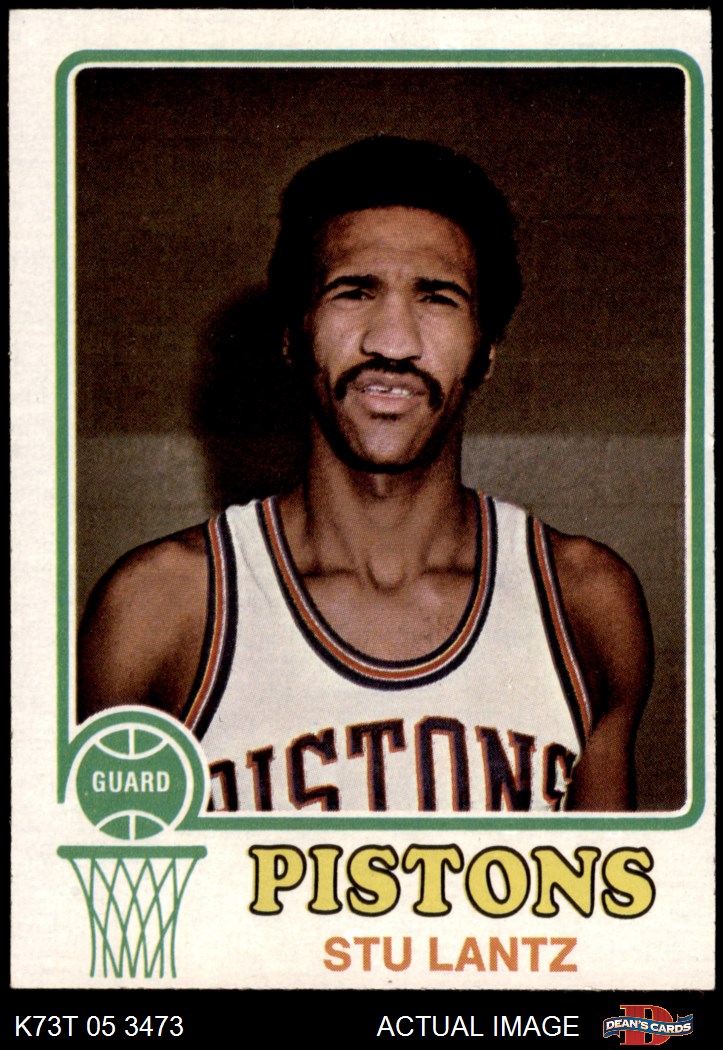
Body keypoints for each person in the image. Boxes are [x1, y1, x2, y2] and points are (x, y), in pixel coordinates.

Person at [78, 135, 653, 814]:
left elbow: (613, 885)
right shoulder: (160, 608)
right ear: (293, 334)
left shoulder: (585, 602)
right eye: (354, 292)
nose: (392, 341)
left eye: (437, 298)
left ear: (486, 351)